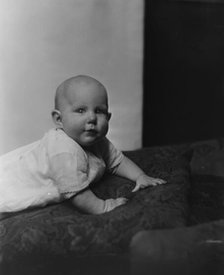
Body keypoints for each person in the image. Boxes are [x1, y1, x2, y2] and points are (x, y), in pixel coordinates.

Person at [0, 75, 166, 214]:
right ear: (59, 119)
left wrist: (140, 176)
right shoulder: (64, 150)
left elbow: (117, 161)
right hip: (10, 184)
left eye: (99, 111)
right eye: (81, 110)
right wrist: (104, 206)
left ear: (108, 117)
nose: (92, 118)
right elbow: (75, 192)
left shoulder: (98, 141)